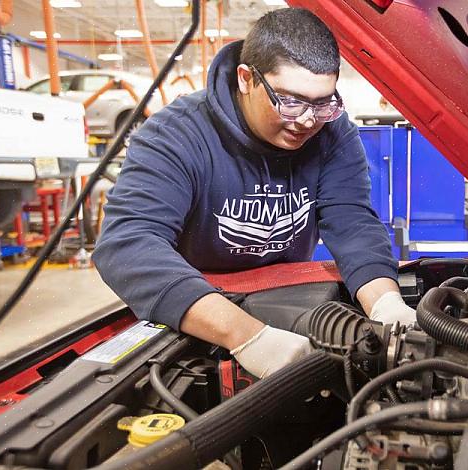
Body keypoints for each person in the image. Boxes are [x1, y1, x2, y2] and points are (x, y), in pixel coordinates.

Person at [92, 8, 415, 379]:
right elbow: (127, 244)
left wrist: (386, 305)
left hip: (287, 297)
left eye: (323, 102)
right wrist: (246, 336)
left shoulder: (332, 132)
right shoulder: (175, 136)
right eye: (290, 101)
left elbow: (352, 220)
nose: (308, 120)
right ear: (246, 79)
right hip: (196, 310)